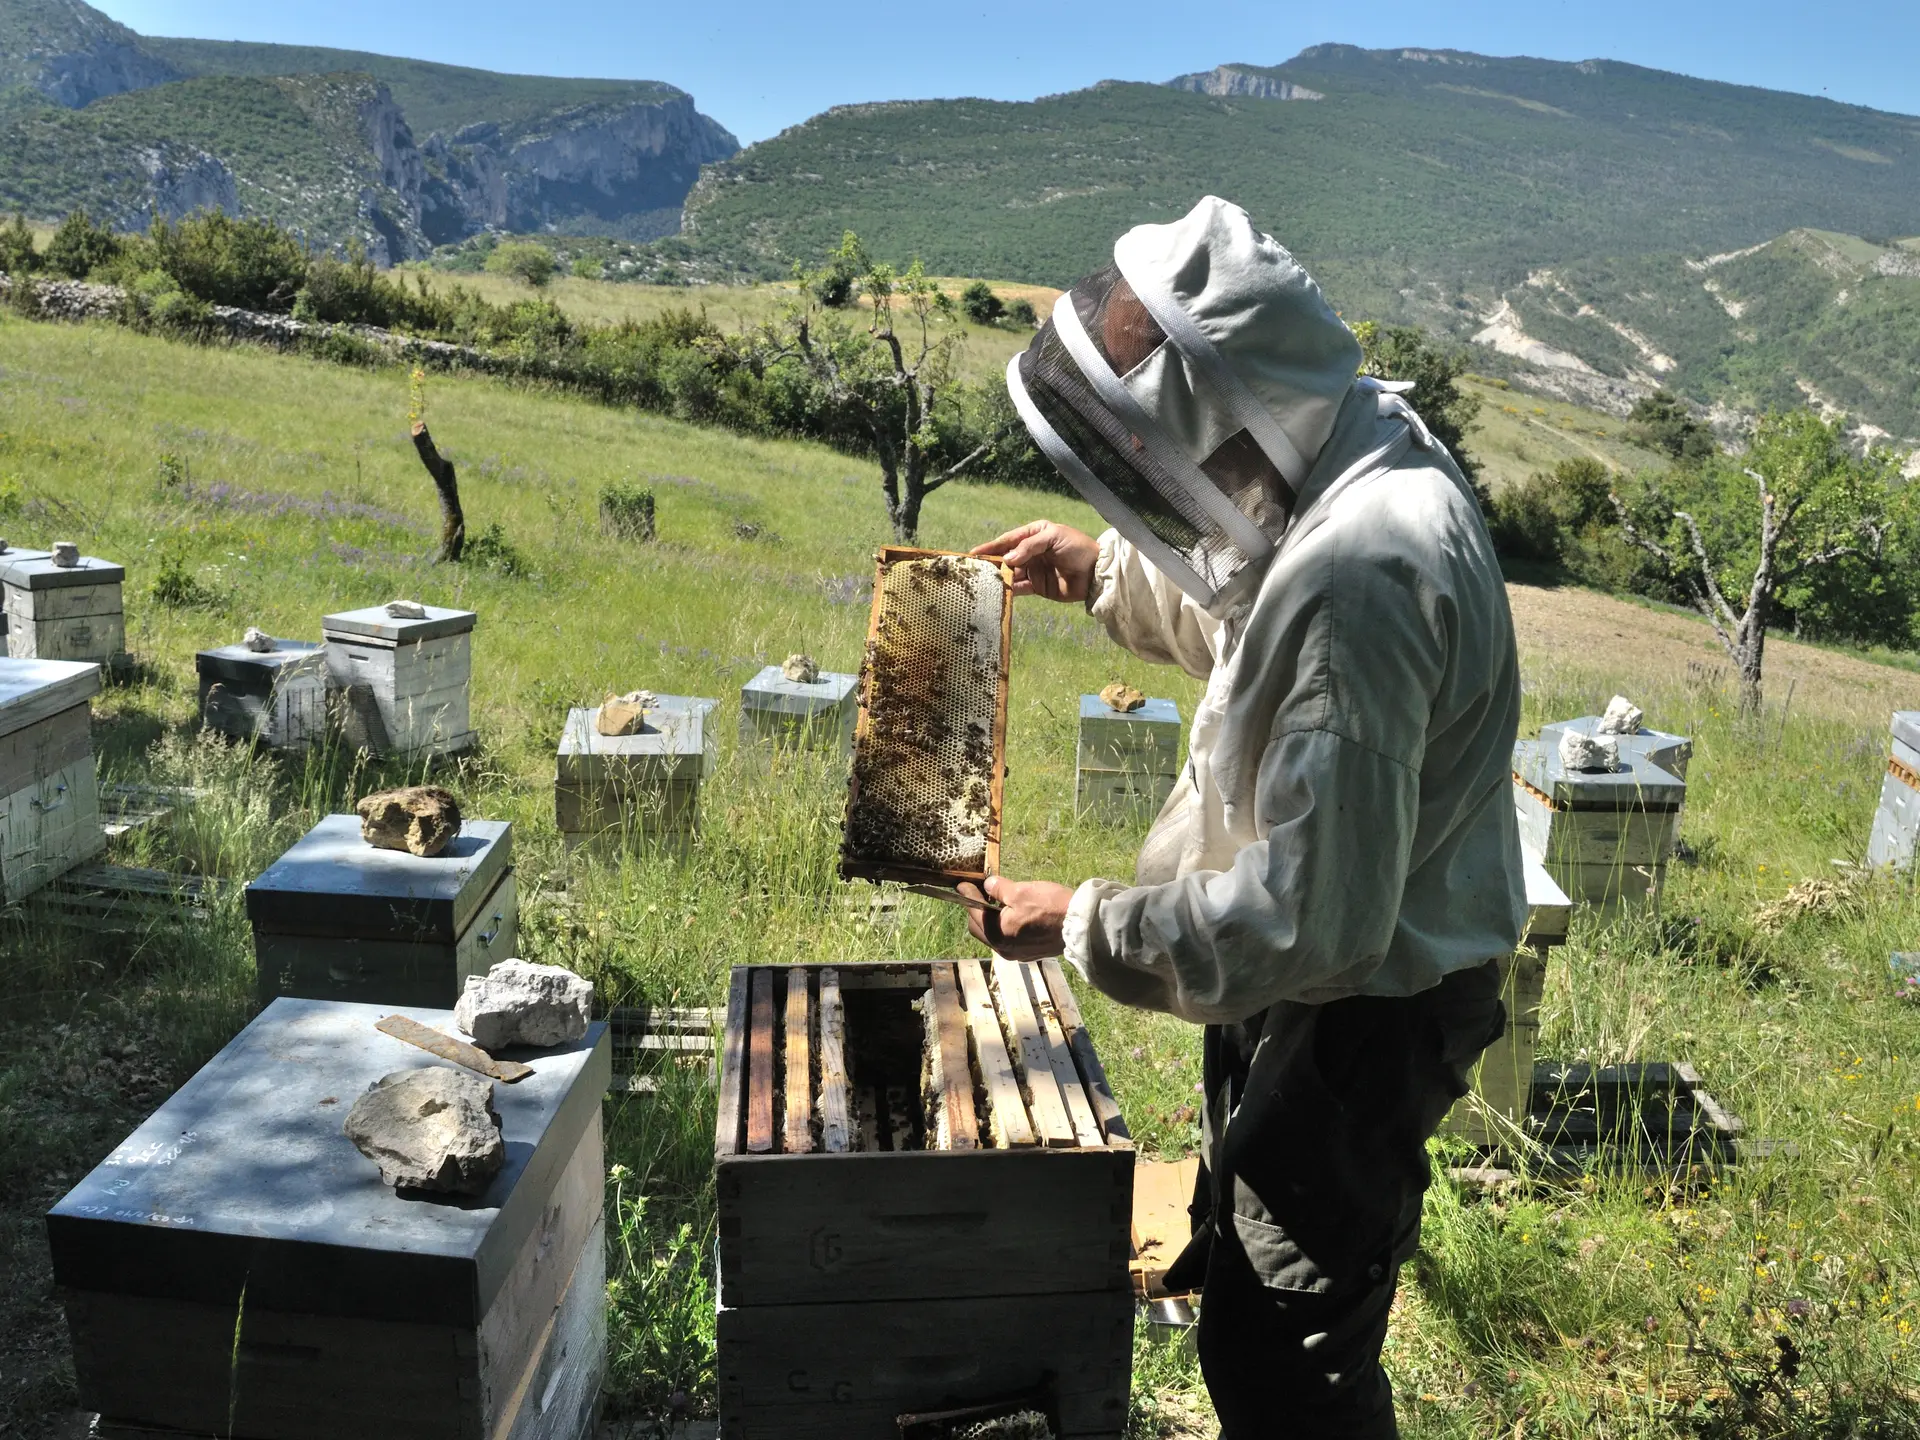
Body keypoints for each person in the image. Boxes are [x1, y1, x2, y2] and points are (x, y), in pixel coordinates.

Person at [960, 196, 1525, 1439]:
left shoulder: (1367, 576)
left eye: (1155, 445)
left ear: (1231, 416)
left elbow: (1311, 925)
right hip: (1345, 975)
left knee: (1286, 1354)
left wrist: (1083, 919)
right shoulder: (1350, 446)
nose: (1153, 478)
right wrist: (1097, 570)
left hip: (1369, 1002)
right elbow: (1249, 604)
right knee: (1249, 1274)